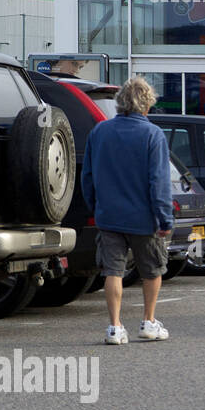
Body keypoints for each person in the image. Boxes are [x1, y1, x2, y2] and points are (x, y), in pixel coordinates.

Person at [81, 77, 173, 345]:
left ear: (120, 102)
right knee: (152, 270)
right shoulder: (153, 134)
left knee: (113, 271)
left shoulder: (100, 132)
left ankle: (115, 326)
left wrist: (96, 207)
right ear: (147, 104)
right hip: (144, 219)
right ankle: (148, 321)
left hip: (108, 215)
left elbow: (87, 177)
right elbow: (159, 181)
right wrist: (164, 217)